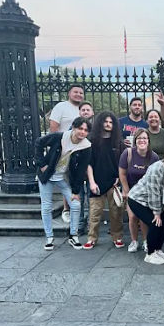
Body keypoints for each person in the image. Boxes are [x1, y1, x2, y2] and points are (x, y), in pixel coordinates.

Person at [35, 117, 91, 250]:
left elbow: (81, 169)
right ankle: (49, 238)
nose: (82, 132)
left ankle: (73, 235)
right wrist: (42, 164)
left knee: (76, 204)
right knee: (47, 207)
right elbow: (38, 142)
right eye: (80, 128)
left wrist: (76, 191)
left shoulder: (86, 146)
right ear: (74, 127)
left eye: (85, 130)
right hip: (47, 176)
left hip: (63, 178)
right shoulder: (60, 137)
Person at [128, 143, 164, 265]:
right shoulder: (157, 168)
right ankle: (150, 253)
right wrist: (157, 213)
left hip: (154, 201)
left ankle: (157, 250)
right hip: (138, 199)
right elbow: (153, 192)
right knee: (155, 223)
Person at [83, 112, 125, 250]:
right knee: (95, 212)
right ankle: (92, 238)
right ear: (100, 122)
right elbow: (88, 163)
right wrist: (92, 182)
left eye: (111, 122)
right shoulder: (92, 141)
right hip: (97, 182)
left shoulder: (118, 142)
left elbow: (122, 163)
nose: (108, 124)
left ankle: (117, 237)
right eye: (105, 121)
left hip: (113, 182)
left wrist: (119, 178)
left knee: (116, 212)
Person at [119, 128, 159, 253]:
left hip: (146, 192)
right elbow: (122, 174)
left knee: (144, 218)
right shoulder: (128, 153)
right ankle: (134, 241)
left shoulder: (153, 156)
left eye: (144, 138)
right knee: (132, 217)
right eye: (139, 138)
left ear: (148, 140)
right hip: (131, 191)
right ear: (135, 140)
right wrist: (126, 191)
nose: (142, 140)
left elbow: (156, 176)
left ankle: (146, 241)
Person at [49, 84, 85, 224]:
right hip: (65, 148)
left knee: (76, 179)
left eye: (81, 93)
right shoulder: (61, 107)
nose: (78, 95)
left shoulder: (82, 109)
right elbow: (54, 127)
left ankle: (77, 208)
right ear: (69, 93)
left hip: (80, 149)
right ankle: (66, 209)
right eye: (76, 92)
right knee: (66, 179)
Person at [77, 100, 94, 235]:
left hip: (90, 169)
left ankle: (89, 223)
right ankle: (79, 223)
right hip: (76, 170)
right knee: (79, 198)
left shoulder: (94, 131)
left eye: (88, 110)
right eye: (83, 110)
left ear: (92, 113)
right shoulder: (73, 130)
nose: (86, 112)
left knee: (90, 197)